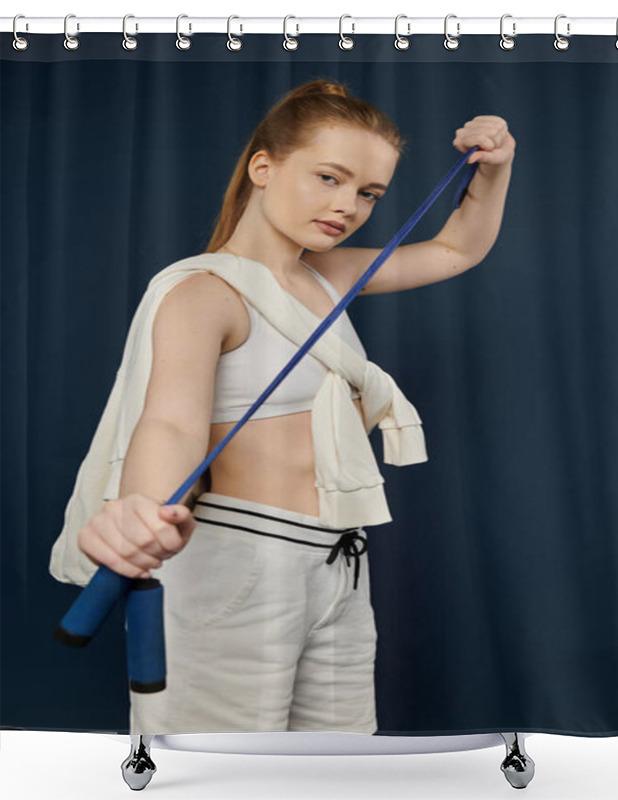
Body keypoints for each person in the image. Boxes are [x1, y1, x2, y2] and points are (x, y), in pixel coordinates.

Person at [71, 79, 515, 735]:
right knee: (227, 775)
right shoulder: (203, 291)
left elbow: (457, 249)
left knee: (337, 770)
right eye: (329, 177)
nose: (348, 206)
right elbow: (169, 421)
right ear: (264, 167)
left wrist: (495, 167)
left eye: (368, 194)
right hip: (239, 564)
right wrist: (139, 506)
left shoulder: (325, 275)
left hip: (338, 560)